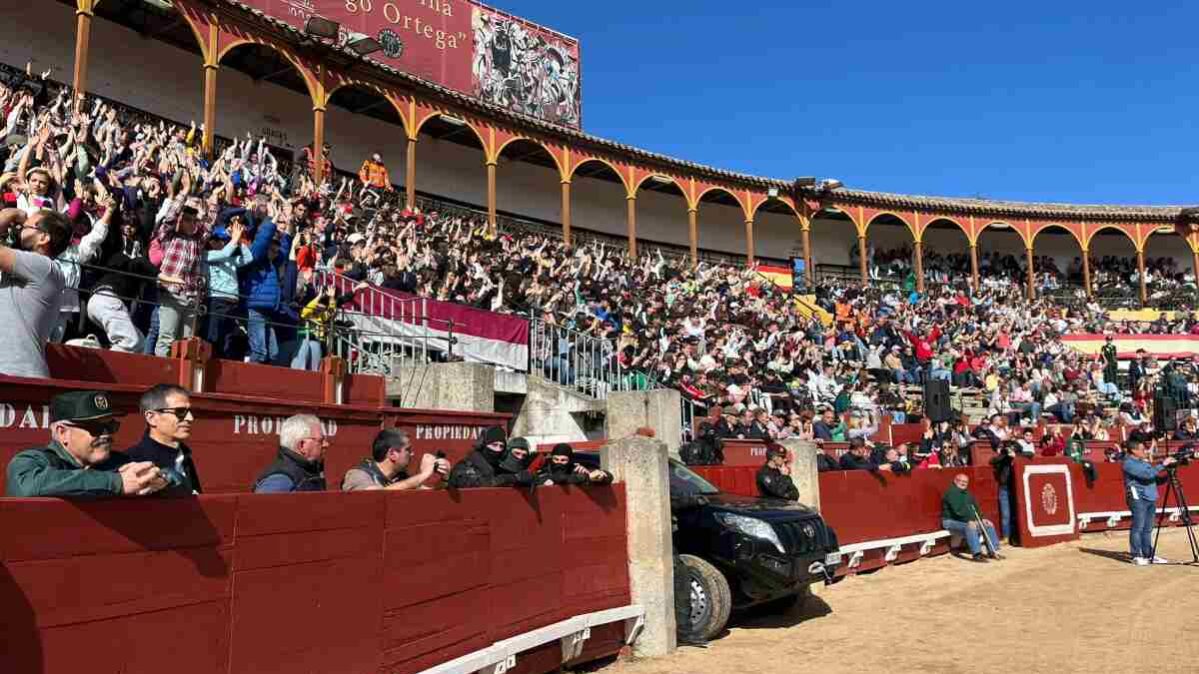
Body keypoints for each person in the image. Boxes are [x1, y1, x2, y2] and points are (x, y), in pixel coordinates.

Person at [5, 390, 169, 497]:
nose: (106, 434)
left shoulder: (118, 462)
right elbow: (26, 486)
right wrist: (115, 482)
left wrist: (159, 478)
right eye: (96, 427)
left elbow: (175, 478)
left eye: (110, 426)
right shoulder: (32, 461)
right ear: (63, 433)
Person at [0, 206, 71, 378]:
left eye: (27, 225)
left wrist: (9, 215)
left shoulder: (44, 266)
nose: (20, 226)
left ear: (44, 238)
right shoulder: (28, 268)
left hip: (16, 373)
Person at [124, 384, 201, 494]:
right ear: (151, 417)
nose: (190, 418)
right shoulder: (132, 461)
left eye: (189, 411)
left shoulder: (185, 457)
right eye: (180, 411)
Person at [1122, 440, 1176, 565]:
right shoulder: (1128, 464)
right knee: (1138, 527)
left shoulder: (1142, 462)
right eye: (1142, 449)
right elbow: (1147, 475)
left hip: (1150, 496)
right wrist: (1163, 464)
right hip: (1137, 498)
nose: (1145, 451)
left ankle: (1148, 554)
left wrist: (1169, 473)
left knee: (1147, 528)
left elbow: (1153, 479)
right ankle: (1136, 555)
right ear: (1134, 451)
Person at [341, 428, 449, 491]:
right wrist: (423, 475)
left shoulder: (399, 478)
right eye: (408, 450)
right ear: (392, 454)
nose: (412, 454)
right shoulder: (357, 475)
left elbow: (428, 496)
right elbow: (376, 496)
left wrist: (445, 478)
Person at [252, 413, 328, 493]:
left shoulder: (309, 470)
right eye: (321, 440)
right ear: (302, 445)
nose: (326, 444)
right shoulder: (281, 480)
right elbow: (261, 504)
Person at [941, 473, 1003, 563]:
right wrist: (970, 521)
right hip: (950, 521)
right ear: (955, 481)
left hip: (963, 520)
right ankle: (977, 554)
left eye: (965, 482)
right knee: (970, 526)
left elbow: (976, 508)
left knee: (988, 524)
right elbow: (958, 511)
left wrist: (982, 519)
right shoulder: (951, 493)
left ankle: (993, 551)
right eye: (961, 481)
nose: (963, 483)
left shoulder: (967, 493)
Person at [447, 425, 533, 488]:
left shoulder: (497, 466)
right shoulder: (465, 466)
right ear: (483, 445)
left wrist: (527, 479)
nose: (498, 449)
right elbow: (478, 484)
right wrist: (509, 478)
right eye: (494, 445)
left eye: (501, 446)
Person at [536, 443, 613, 486]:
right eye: (556, 459)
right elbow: (559, 477)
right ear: (552, 458)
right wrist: (585, 478)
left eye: (563, 460)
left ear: (569, 461)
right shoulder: (545, 469)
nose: (559, 462)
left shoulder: (575, 468)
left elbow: (608, 477)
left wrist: (595, 475)